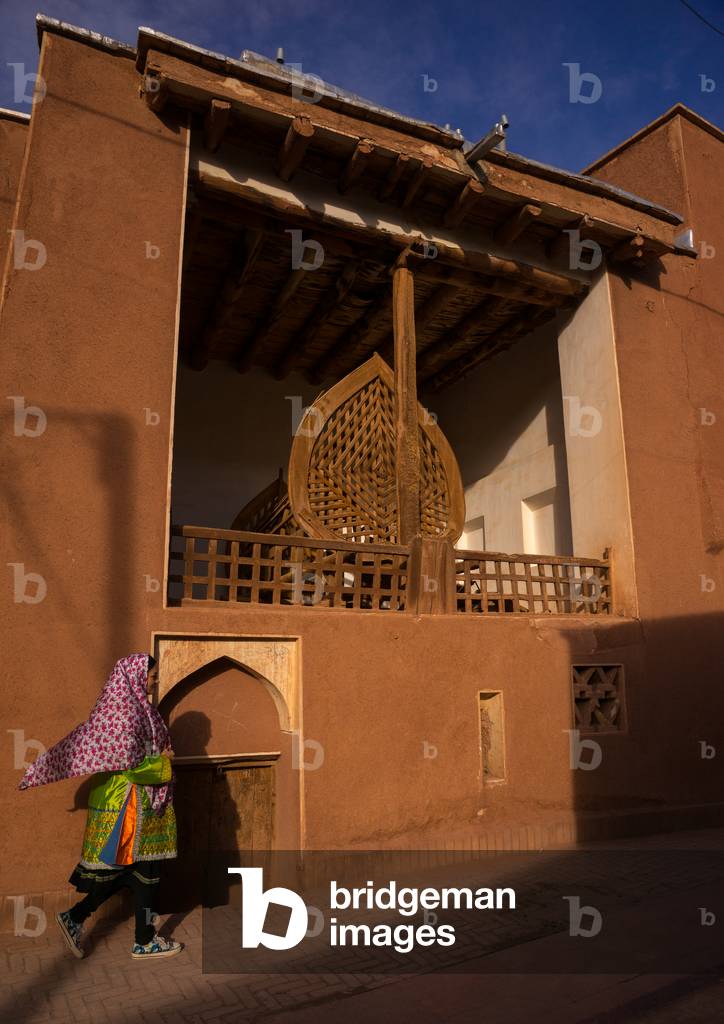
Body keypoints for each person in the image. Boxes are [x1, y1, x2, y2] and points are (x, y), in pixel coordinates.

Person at [19, 652, 183, 960]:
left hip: (133, 800)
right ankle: (144, 941)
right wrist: (165, 763)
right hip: (129, 803)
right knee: (146, 873)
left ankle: (75, 917)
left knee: (124, 871)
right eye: (152, 675)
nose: (155, 680)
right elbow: (132, 766)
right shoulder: (127, 714)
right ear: (135, 676)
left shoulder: (135, 709)